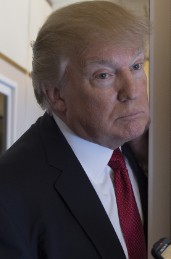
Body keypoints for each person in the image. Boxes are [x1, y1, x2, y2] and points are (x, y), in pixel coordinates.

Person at [0, 2, 150, 259]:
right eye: (104, 75)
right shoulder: (8, 196)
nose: (132, 91)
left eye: (136, 66)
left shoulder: (138, 149)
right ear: (57, 95)